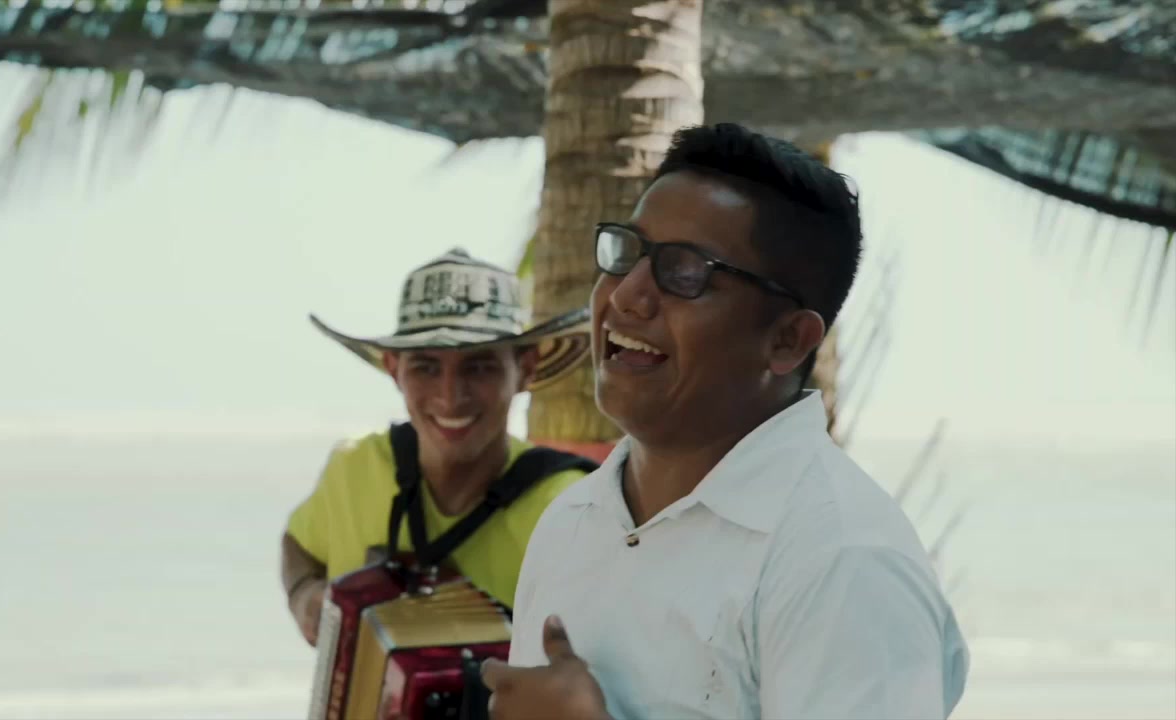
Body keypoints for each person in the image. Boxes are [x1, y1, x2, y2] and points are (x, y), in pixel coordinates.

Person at [480, 124, 970, 719]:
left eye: (685, 272)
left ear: (788, 340)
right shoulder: (571, 521)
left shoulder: (844, 557)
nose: (627, 296)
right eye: (627, 253)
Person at [280, 247, 598, 646]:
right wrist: (303, 594)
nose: (450, 397)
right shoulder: (354, 467)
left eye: (479, 366)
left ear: (525, 369)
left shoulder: (570, 509)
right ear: (394, 370)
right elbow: (298, 543)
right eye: (426, 367)